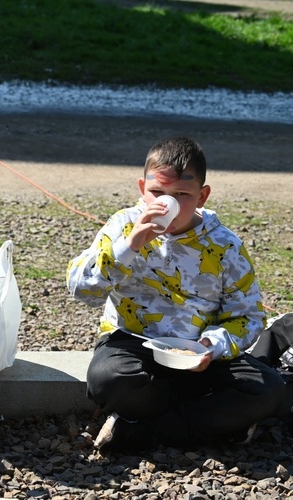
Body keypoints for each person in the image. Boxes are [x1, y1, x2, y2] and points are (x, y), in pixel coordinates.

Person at [66, 136, 285, 452]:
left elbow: (248, 315)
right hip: (134, 344)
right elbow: (80, 290)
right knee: (107, 379)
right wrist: (129, 247)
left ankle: (143, 429)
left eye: (181, 194)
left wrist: (212, 345)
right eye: (157, 193)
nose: (166, 204)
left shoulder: (224, 245)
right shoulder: (123, 226)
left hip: (201, 354)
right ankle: (203, 422)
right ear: (143, 188)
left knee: (269, 390)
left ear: (202, 196)